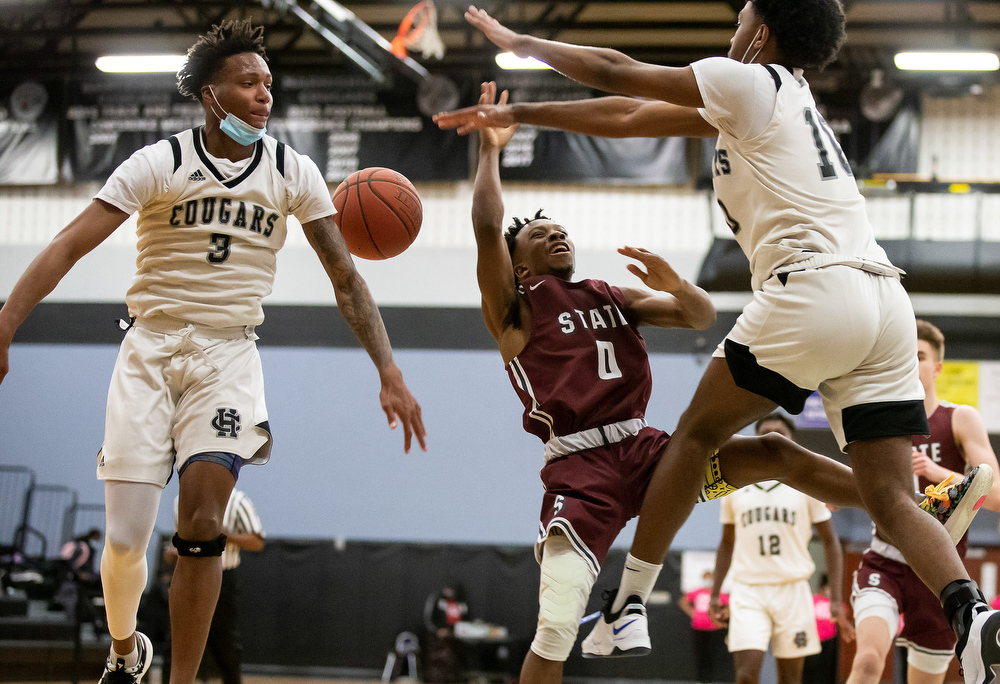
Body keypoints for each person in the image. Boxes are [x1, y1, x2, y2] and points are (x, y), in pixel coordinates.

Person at [433, 5, 1000, 680]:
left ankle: (629, 604)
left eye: (740, 19)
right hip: (883, 305)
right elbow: (625, 116)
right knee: (890, 499)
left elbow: (620, 73)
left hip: (814, 289)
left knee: (698, 432)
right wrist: (521, 119)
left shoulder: (750, 81)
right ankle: (974, 613)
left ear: (760, 34)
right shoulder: (781, 105)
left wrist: (518, 43)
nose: (731, 33)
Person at [0, 19, 426, 684]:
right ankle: (124, 649)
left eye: (269, 84)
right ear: (210, 95)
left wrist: (389, 369)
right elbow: (66, 246)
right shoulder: (158, 162)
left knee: (202, 522)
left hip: (228, 356)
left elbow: (347, 278)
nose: (264, 95)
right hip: (148, 349)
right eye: (248, 82)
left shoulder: (294, 172)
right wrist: (6, 322)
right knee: (123, 544)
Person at [468, 80, 878, 684]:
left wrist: (677, 284)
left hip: (646, 451)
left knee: (773, 451)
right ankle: (613, 611)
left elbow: (700, 316)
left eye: (560, 228)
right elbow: (486, 229)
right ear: (520, 262)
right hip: (581, 473)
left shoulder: (609, 293)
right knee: (555, 630)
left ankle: (907, 506)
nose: (555, 233)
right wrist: (488, 152)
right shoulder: (517, 308)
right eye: (538, 234)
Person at [846, 320, 1000, 684]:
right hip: (886, 560)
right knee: (868, 661)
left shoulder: (959, 418)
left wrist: (936, 471)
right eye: (906, 355)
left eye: (920, 356)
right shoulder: (884, 421)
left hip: (938, 570)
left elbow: (995, 495)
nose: (911, 363)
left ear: (938, 367)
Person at [709, 414, 851, 684]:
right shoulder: (736, 487)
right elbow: (726, 542)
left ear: (791, 442)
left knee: (790, 680)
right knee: (745, 676)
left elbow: (831, 542)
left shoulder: (807, 487)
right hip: (748, 591)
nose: (773, 439)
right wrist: (715, 592)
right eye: (765, 434)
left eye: (780, 434)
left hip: (793, 589)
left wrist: (835, 599)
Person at [162, 488, 265, 684]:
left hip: (224, 577)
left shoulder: (238, 501)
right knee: (175, 640)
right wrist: (172, 552)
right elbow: (180, 538)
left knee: (224, 642)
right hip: (188, 576)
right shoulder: (181, 500)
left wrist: (221, 535)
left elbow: (257, 541)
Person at [678, 571, 732, 684]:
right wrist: (693, 614)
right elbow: (683, 601)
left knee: (715, 655)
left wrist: (721, 616)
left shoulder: (718, 594)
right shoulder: (697, 592)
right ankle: (702, 680)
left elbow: (729, 604)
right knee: (701, 655)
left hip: (715, 628)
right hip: (699, 628)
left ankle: (714, 679)